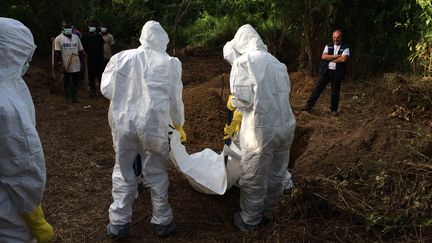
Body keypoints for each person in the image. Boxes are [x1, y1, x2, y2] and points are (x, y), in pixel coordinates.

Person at [101, 20, 186, 239]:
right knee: (157, 172)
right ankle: (162, 221)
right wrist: (179, 123)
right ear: (162, 39)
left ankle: (119, 223)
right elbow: (176, 100)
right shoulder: (170, 62)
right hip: (154, 126)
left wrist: (128, 93)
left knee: (123, 169)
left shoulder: (120, 58)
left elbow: (106, 89)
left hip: (124, 123)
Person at [222, 24, 296, 231]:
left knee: (254, 176)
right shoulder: (278, 63)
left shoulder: (244, 62)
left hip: (261, 130)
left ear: (241, 44)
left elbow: (243, 101)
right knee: (276, 173)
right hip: (286, 126)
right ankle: (270, 212)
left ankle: (250, 220)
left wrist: (234, 104)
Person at [0, 17, 55, 242]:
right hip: (7, 209)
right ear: (12, 52)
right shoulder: (6, 103)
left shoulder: (11, 84)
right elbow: (21, 163)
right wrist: (34, 214)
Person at [301, 29, 350, 115]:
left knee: (335, 92)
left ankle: (333, 110)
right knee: (317, 89)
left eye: (337, 37)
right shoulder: (328, 45)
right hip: (326, 71)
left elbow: (343, 59)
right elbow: (324, 57)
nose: (335, 39)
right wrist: (337, 56)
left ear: (341, 37)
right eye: (334, 37)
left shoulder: (345, 47)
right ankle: (308, 106)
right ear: (332, 37)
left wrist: (330, 58)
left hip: (337, 73)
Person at [54, 21, 85, 102]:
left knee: (76, 81)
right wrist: (60, 64)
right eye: (66, 28)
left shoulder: (76, 38)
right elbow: (58, 52)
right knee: (67, 81)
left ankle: (75, 97)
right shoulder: (58, 39)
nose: (68, 29)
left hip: (76, 62)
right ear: (63, 28)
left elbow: (80, 51)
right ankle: (68, 98)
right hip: (66, 63)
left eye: (69, 28)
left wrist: (82, 62)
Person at [81, 22, 104, 97]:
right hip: (89, 59)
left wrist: (102, 58)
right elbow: (82, 47)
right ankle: (93, 90)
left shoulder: (99, 36)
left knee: (100, 75)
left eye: (93, 26)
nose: (92, 28)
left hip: (99, 58)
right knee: (91, 75)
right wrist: (84, 54)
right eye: (91, 26)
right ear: (88, 27)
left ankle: (102, 90)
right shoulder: (85, 37)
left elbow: (101, 47)